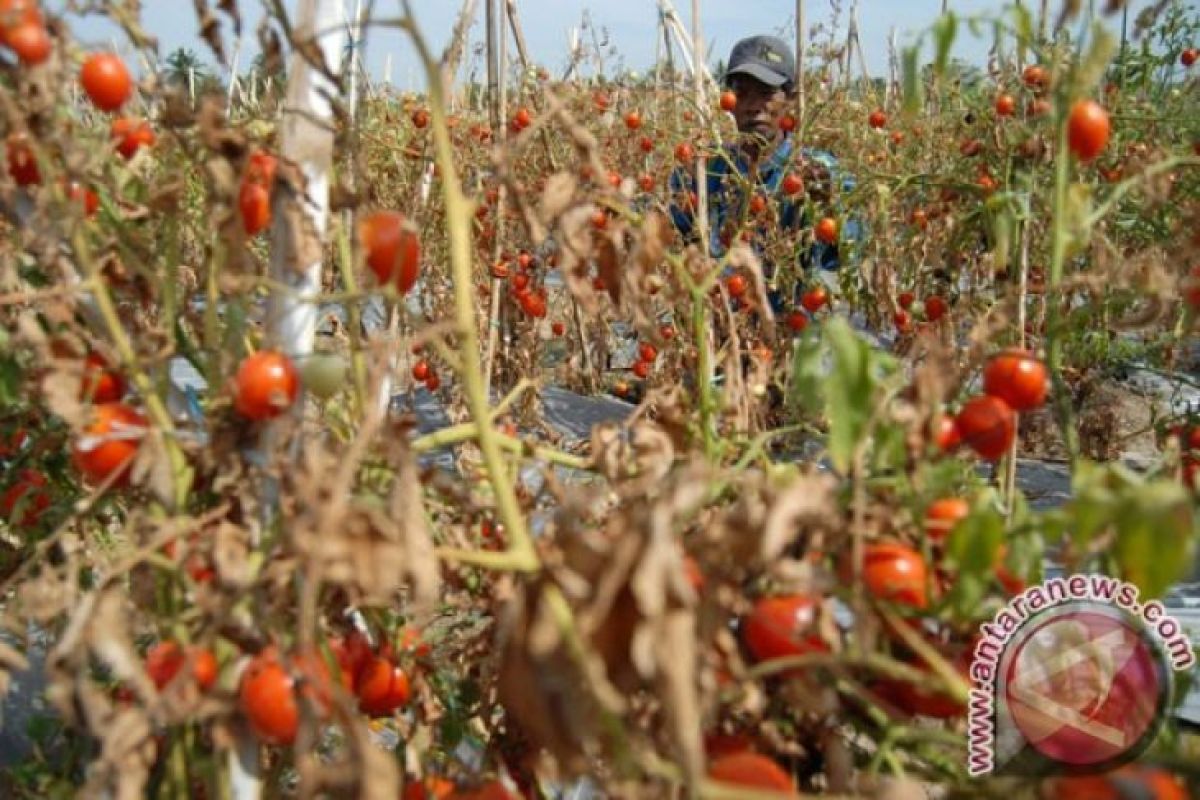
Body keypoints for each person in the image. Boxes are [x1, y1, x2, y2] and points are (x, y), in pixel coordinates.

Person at [668, 35, 858, 314]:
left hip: (795, 331)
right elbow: (676, 240)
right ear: (729, 102)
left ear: (790, 100)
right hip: (726, 332)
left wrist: (830, 207)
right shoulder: (705, 172)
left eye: (767, 93)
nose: (753, 105)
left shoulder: (821, 173)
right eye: (742, 93)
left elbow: (851, 256)